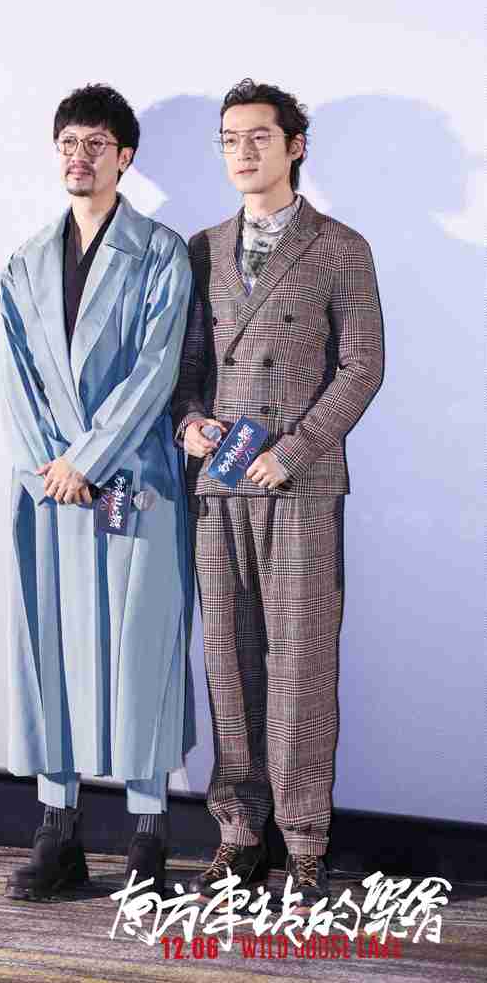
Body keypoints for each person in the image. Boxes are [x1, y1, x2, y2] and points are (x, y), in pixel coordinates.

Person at [171, 78, 384, 913]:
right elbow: (187, 365)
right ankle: (238, 832)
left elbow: (361, 366)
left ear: (295, 146)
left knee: (299, 666)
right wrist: (190, 423)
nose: (242, 151)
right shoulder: (201, 249)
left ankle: (303, 845)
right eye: (229, 139)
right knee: (226, 661)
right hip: (220, 483)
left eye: (259, 136)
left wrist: (292, 451)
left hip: (297, 486)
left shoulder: (339, 247)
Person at [0, 83, 195, 900]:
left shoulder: (160, 253)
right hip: (53, 491)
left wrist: (89, 457)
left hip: (134, 482)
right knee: (52, 651)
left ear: (125, 157)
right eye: (68, 144)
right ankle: (59, 832)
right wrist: (52, 467)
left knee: (141, 654)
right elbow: (16, 382)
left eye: (95, 144)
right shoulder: (24, 263)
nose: (79, 158)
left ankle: (148, 841)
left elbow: (155, 369)